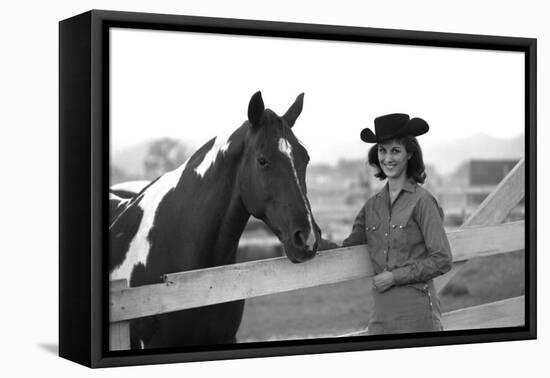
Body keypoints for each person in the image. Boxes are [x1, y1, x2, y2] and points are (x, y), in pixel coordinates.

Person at [322, 113, 453, 334]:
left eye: (395, 150)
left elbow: (442, 259)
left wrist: (395, 277)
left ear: (410, 153)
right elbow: (347, 249)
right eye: (382, 150)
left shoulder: (423, 201)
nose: (387, 158)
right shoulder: (371, 207)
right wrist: (312, 242)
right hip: (380, 318)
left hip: (417, 314)